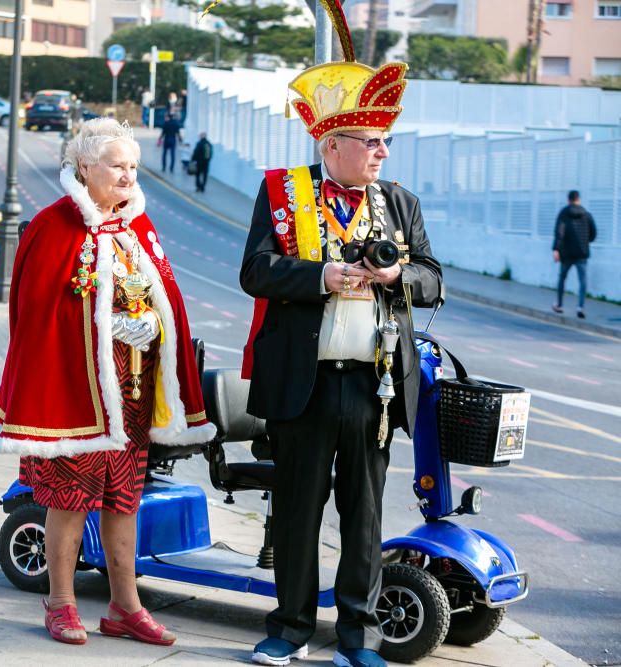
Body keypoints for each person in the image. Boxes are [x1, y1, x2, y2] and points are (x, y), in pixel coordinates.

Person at [239, 17, 442, 667]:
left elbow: (434, 280)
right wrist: (320, 276)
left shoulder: (400, 203)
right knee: (296, 512)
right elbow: (254, 272)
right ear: (331, 142)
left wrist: (395, 275)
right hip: (303, 381)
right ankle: (290, 626)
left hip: (373, 385)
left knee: (364, 517)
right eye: (371, 141)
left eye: (386, 141)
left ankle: (358, 635)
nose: (382, 151)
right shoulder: (282, 193)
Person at [0, 118, 216, 646]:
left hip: (132, 395)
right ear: (85, 167)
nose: (127, 175)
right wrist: (102, 321)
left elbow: (166, 301)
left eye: (133, 166)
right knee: (68, 500)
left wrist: (154, 325)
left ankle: (124, 607)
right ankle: (62, 604)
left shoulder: (139, 228)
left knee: (124, 501)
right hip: (77, 393)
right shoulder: (54, 225)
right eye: (117, 165)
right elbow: (37, 313)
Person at [552, 190, 597, 319]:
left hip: (566, 253)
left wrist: (556, 249)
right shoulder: (587, 215)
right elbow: (593, 234)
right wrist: (585, 241)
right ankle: (580, 307)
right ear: (579, 199)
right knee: (582, 280)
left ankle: (559, 305)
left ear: (568, 200)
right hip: (582, 252)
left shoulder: (564, 213)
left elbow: (559, 233)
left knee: (562, 277)